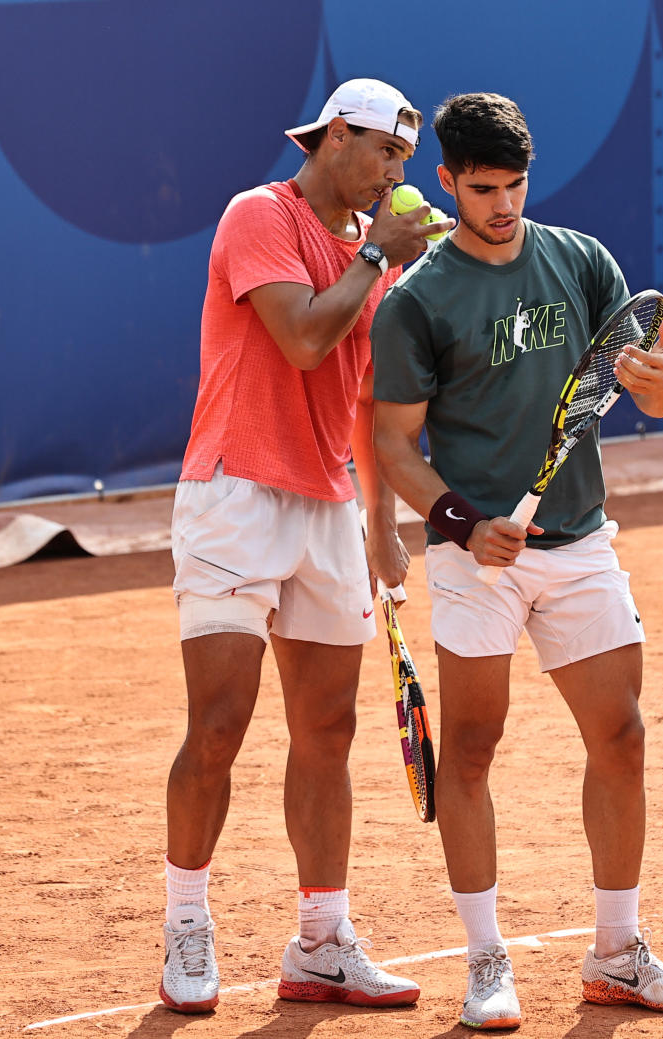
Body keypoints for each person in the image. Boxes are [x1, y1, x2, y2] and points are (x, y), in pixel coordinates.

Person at [370, 92, 663, 1030]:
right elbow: (394, 444)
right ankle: (487, 963)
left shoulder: (580, 260)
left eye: (515, 185)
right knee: (473, 751)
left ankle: (617, 953)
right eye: (482, 188)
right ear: (446, 180)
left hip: (581, 542)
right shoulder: (416, 302)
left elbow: (652, 388)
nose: (502, 205)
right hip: (474, 559)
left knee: (623, 736)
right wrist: (460, 519)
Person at [159, 78, 455, 1014]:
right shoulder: (259, 215)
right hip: (234, 496)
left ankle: (322, 940)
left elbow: (363, 395)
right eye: (383, 152)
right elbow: (299, 340)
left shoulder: (379, 255)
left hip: (330, 504)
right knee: (218, 726)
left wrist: (380, 524)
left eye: (405, 158)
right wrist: (379, 256)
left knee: (328, 731)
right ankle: (186, 920)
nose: (396, 172)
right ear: (333, 138)